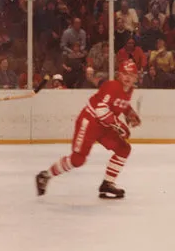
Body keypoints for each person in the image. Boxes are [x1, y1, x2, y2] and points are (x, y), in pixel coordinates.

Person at [35, 60, 141, 200]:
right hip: (90, 121)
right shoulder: (112, 86)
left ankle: (107, 183)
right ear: (119, 75)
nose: (128, 77)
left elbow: (120, 103)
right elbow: (101, 109)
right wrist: (119, 125)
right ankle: (45, 176)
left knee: (123, 149)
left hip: (105, 125)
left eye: (131, 75)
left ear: (136, 77)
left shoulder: (129, 90)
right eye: (125, 74)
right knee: (77, 160)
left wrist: (130, 113)